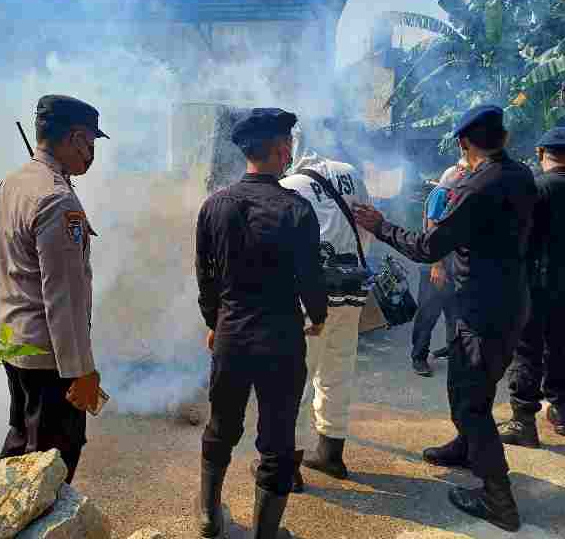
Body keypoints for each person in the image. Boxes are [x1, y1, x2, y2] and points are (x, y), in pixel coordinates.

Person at [353, 105, 536, 532]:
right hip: (509, 300)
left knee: (472, 399)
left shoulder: (476, 188)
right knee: (469, 385)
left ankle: (498, 499)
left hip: (482, 308)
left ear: (463, 143)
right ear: (504, 138)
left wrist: (381, 226)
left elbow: (428, 247)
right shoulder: (522, 176)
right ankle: (467, 447)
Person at [194, 108, 327, 539]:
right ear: (282, 150)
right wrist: (319, 316)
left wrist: (213, 321)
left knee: (222, 425)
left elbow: (205, 275)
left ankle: (208, 518)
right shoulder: (298, 210)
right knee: (276, 439)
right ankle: (265, 535)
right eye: (288, 145)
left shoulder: (214, 206)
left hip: (231, 334)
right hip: (281, 339)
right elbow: (310, 278)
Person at [0, 95, 109, 484]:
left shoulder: (15, 181)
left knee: (20, 445)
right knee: (49, 466)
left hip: (17, 344)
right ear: (76, 139)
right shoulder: (58, 201)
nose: (91, 155)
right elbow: (64, 297)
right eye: (91, 144)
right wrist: (81, 372)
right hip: (51, 359)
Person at [271, 127, 372, 490]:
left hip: (308, 300)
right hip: (353, 289)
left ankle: (286, 466)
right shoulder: (351, 174)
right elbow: (367, 230)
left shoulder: (289, 186)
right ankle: (331, 453)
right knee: (337, 371)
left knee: (293, 379)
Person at [499, 128, 565, 447]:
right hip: (564, 275)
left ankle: (523, 421)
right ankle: (560, 411)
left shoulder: (536, 188)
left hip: (534, 277)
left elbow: (519, 236)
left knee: (527, 348)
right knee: (557, 345)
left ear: (541, 152)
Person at [409, 158, 469, 376]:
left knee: (455, 314)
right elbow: (431, 229)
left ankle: (456, 353)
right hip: (435, 266)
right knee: (428, 313)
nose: (465, 173)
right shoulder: (441, 194)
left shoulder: (461, 194)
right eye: (462, 169)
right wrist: (436, 264)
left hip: (454, 267)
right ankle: (419, 356)